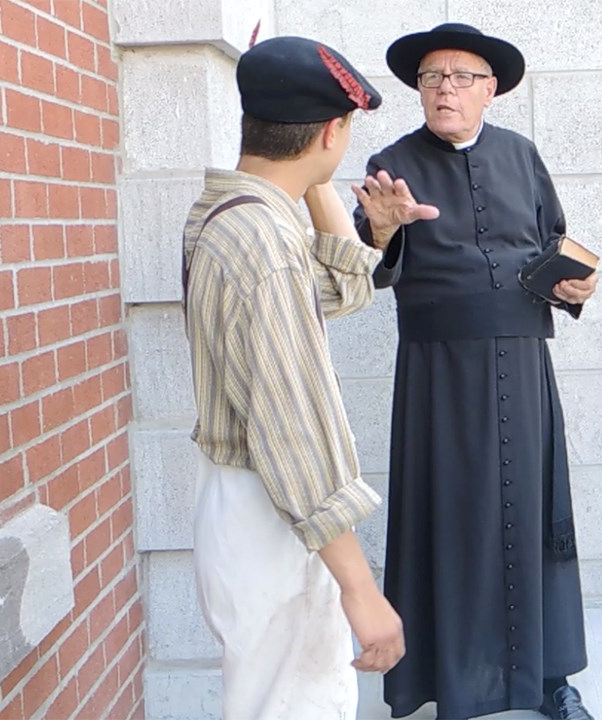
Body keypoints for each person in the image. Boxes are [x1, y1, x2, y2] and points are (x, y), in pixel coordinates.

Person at [350, 23, 598, 720]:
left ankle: (551, 677)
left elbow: (553, 247)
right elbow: (365, 252)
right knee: (453, 520)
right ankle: (453, 680)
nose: (445, 89)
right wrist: (385, 230)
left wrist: (572, 288)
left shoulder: (522, 155)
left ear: (490, 90)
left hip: (522, 365)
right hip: (440, 376)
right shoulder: (391, 161)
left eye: (461, 77)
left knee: (535, 519)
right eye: (432, 78)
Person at [181, 36, 405, 719]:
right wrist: (362, 590)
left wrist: (316, 180)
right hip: (273, 508)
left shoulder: (230, 216)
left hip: (254, 501)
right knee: (293, 705)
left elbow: (342, 288)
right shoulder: (266, 247)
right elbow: (296, 433)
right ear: (332, 131)